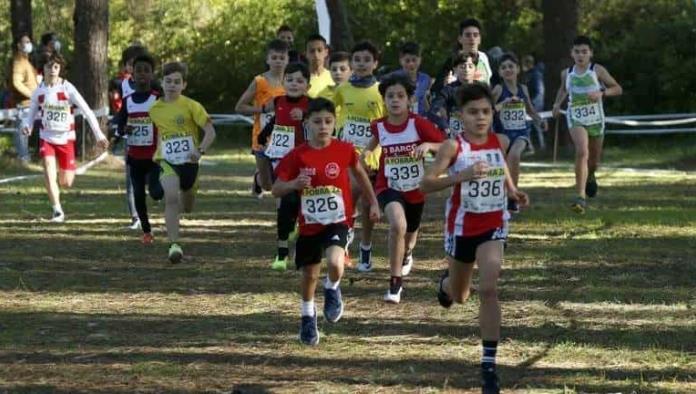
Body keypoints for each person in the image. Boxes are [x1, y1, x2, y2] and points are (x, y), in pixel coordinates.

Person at [420, 82, 529, 394]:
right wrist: (460, 176)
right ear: (460, 116)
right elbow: (426, 184)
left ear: (492, 113)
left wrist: (513, 191)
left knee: (490, 286)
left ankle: (489, 365)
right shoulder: (453, 147)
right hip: (462, 228)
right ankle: (445, 284)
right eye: (473, 112)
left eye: (485, 111)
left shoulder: (499, 140)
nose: (480, 118)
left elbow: (502, 168)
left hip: (494, 223)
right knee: (460, 295)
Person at [273, 97, 380, 346]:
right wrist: (294, 184)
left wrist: (373, 202)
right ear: (307, 124)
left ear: (334, 123)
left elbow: (361, 176)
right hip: (310, 224)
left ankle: (332, 287)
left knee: (334, 261)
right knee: (310, 274)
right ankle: (307, 316)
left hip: (338, 220)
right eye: (317, 121)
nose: (323, 126)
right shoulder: (297, 156)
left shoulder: (344, 150)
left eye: (328, 121)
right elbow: (276, 189)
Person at [361, 73, 444, 303]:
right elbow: (371, 146)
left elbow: (447, 146)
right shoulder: (379, 126)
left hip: (415, 189)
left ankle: (407, 253)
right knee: (398, 225)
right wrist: (367, 155)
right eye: (390, 96)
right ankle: (395, 283)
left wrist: (428, 144)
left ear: (409, 100)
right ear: (384, 100)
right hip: (388, 185)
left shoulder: (418, 124)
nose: (395, 100)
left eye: (400, 96)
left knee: (409, 236)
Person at [21, 52, 109, 222]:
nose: (53, 70)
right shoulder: (39, 92)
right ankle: (57, 211)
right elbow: (30, 115)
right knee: (48, 171)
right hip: (47, 138)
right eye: (49, 66)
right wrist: (27, 126)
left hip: (66, 139)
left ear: (60, 68)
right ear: (43, 69)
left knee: (66, 182)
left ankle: (65, 178)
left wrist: (99, 135)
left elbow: (87, 111)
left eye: (56, 67)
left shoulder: (67, 88)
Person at [149, 62, 216, 263]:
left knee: (187, 205)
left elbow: (210, 131)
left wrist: (200, 150)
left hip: (190, 161)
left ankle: (189, 192)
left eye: (177, 82)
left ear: (184, 85)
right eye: (168, 81)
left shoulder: (191, 106)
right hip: (167, 160)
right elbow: (160, 133)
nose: (172, 85)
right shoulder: (154, 109)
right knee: (170, 197)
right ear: (161, 83)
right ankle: (174, 244)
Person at [552, 36, 622, 214]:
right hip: (575, 117)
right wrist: (557, 104)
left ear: (590, 53)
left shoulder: (597, 70)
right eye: (577, 52)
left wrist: (602, 92)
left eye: (584, 52)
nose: (580, 55)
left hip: (596, 119)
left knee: (594, 161)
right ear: (571, 53)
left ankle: (590, 176)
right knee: (582, 151)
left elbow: (617, 88)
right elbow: (563, 89)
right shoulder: (566, 73)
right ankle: (580, 197)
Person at [332, 41, 386, 271]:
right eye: (357, 60)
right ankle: (344, 246)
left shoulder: (381, 90)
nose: (362, 64)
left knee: (367, 204)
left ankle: (366, 246)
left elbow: (387, 121)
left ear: (375, 63)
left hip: (373, 153)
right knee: (350, 195)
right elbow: (332, 114)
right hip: (349, 152)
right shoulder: (342, 89)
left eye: (366, 60)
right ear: (351, 63)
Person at [256, 62, 311, 271]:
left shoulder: (311, 104)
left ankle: (299, 246)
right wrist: (264, 133)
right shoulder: (278, 101)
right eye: (290, 80)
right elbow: (277, 121)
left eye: (299, 81)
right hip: (282, 159)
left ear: (307, 84)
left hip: (304, 159)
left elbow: (320, 125)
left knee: (299, 202)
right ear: (283, 82)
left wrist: (305, 117)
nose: (294, 84)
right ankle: (281, 253)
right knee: (283, 200)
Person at [111, 53, 164, 244]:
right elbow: (120, 125)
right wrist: (124, 129)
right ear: (132, 74)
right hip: (134, 157)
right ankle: (147, 231)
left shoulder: (158, 99)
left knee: (156, 192)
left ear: (152, 75)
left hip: (154, 157)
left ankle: (164, 186)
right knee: (139, 195)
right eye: (138, 70)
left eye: (146, 70)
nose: (142, 74)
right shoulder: (128, 101)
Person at [491, 53, 545, 213]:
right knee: (503, 162)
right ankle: (499, 195)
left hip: (521, 132)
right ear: (499, 72)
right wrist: (503, 104)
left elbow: (530, 108)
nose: (508, 70)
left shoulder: (523, 89)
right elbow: (488, 110)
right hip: (503, 133)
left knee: (515, 155)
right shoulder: (499, 89)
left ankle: (512, 196)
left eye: (511, 66)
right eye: (503, 67)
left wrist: (539, 120)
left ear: (518, 69)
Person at [235, 39, 288, 199]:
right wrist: (263, 109)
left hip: (284, 137)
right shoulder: (259, 81)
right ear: (268, 60)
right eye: (274, 57)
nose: (278, 61)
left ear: (287, 59)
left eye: (281, 57)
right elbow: (240, 107)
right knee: (267, 184)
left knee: (282, 179)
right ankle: (258, 179)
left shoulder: (292, 81)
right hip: (262, 137)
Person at [109, 44, 150, 230]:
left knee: (154, 178)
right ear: (126, 66)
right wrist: (117, 126)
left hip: (153, 139)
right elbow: (123, 111)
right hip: (131, 139)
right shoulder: (123, 85)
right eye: (130, 64)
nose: (134, 68)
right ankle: (135, 217)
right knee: (132, 179)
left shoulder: (154, 86)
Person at [433, 18, 493, 93]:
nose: (472, 38)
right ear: (460, 39)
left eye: (475, 35)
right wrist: (444, 84)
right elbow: (435, 90)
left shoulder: (487, 58)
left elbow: (498, 83)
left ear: (480, 39)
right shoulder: (452, 61)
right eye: (468, 35)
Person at [427, 52, 478, 138]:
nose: (466, 70)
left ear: (475, 69)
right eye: (462, 66)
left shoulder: (481, 89)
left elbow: (490, 111)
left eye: (470, 66)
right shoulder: (448, 90)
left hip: (477, 135)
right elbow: (433, 111)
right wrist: (445, 127)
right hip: (456, 138)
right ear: (455, 69)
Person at [10, 33, 38, 164]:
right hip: (25, 104)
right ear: (18, 45)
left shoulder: (26, 61)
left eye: (29, 42)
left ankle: (25, 158)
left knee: (26, 133)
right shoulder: (19, 61)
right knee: (22, 131)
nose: (28, 44)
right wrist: (32, 95)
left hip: (30, 105)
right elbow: (16, 82)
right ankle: (23, 159)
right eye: (25, 42)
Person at [384, 42, 432, 116]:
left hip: (420, 119)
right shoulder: (392, 78)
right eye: (407, 61)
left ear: (420, 60)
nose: (411, 64)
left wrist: (430, 115)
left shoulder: (425, 79)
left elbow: (424, 98)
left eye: (414, 60)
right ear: (401, 61)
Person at [317, 51, 351, 119]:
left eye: (342, 69)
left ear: (352, 71)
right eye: (334, 69)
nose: (338, 73)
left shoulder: (358, 91)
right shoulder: (322, 94)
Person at [522, 54, 546, 150]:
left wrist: (532, 104)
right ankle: (531, 147)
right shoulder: (528, 74)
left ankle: (540, 147)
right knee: (528, 126)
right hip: (530, 104)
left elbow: (538, 91)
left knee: (536, 126)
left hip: (535, 105)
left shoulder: (535, 74)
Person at [305, 34, 333, 98]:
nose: (316, 55)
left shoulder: (334, 76)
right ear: (306, 54)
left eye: (319, 50)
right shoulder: (301, 80)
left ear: (326, 52)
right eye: (312, 51)